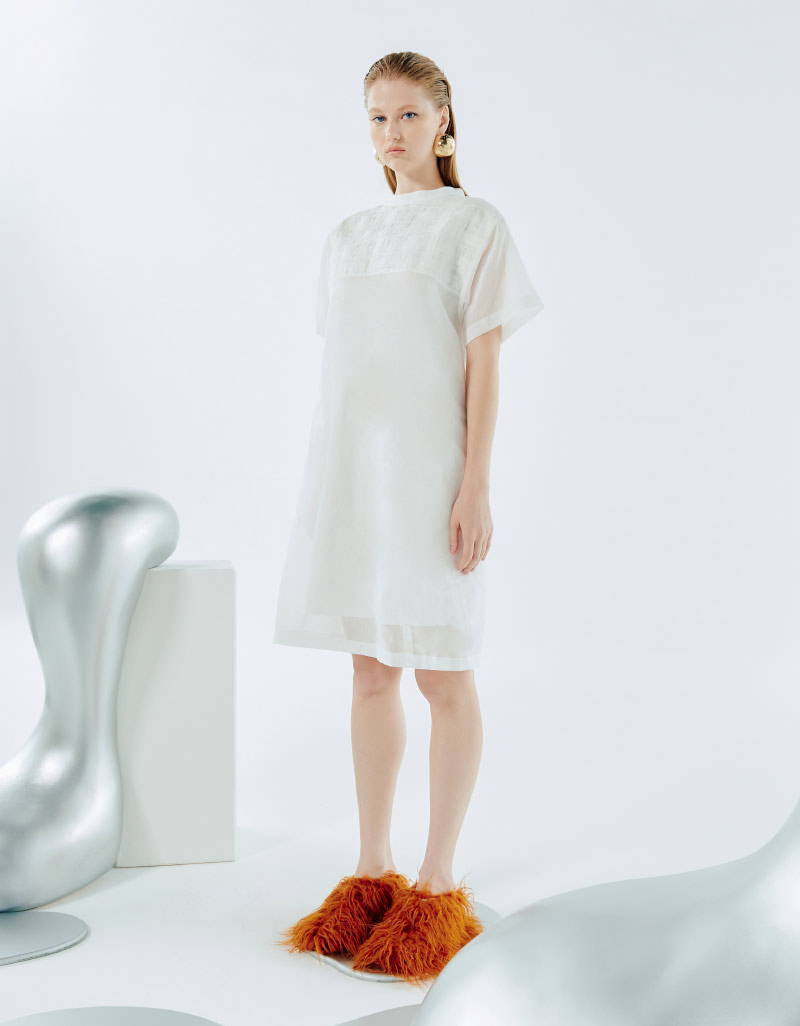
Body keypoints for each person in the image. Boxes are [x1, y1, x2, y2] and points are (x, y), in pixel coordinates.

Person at [274, 51, 544, 986]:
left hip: (432, 477)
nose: (392, 133)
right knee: (369, 673)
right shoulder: (348, 236)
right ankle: (371, 866)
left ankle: (436, 877)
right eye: (377, 118)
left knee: (444, 673)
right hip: (357, 477)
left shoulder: (474, 226)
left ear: (444, 122)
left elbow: (483, 363)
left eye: (408, 115)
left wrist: (476, 484)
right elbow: (354, 372)